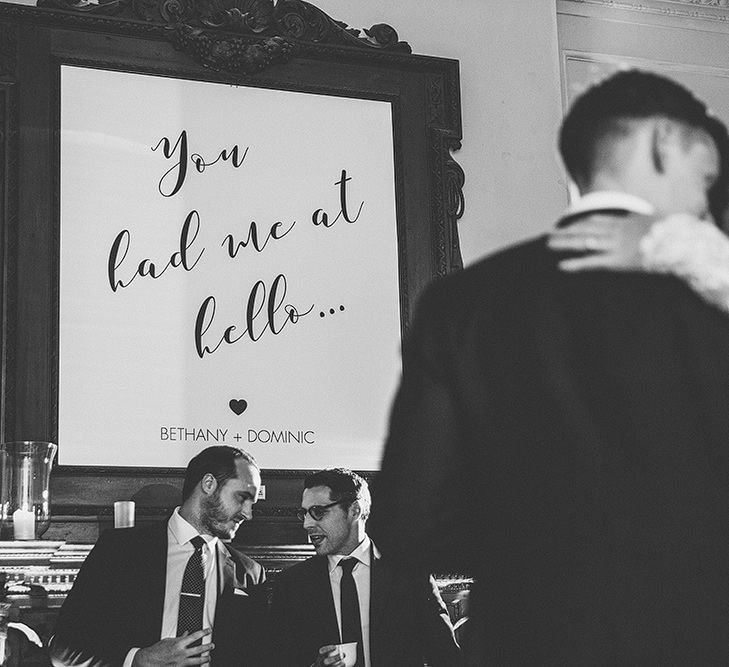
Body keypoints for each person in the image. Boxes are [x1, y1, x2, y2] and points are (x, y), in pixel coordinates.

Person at [370, 70, 729, 664]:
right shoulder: (712, 293)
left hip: (526, 643)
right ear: (664, 141)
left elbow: (410, 524)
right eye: (706, 176)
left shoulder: (461, 304)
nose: (706, 202)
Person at [49, 445, 268, 667]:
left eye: (253, 503)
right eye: (242, 497)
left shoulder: (251, 573)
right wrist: (138, 659)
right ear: (209, 484)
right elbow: (64, 647)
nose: (248, 514)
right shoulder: (119, 550)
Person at [268, 468, 461, 667]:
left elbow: (446, 655)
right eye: (304, 514)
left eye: (318, 512)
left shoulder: (410, 575)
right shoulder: (292, 583)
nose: (307, 524)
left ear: (354, 510)